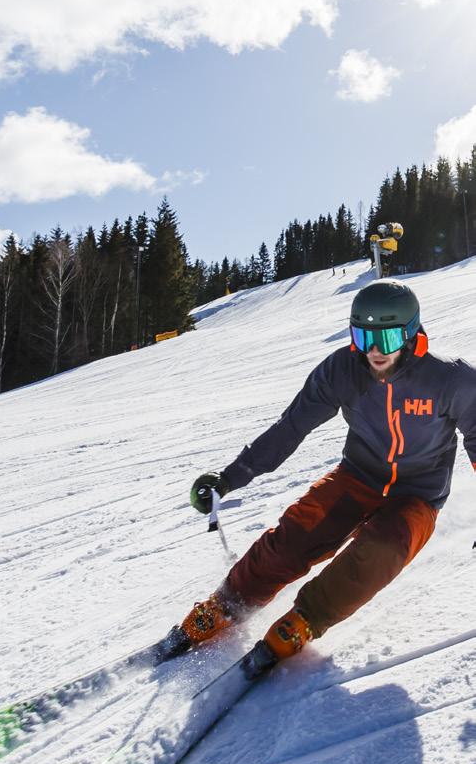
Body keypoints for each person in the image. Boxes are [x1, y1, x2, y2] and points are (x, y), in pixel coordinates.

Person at [172, 280, 476, 663]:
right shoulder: (341, 370)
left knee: (381, 549)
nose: (376, 352)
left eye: (388, 337)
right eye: (364, 338)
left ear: (412, 333)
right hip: (357, 476)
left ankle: (305, 619)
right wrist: (229, 478)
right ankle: (227, 604)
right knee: (295, 533)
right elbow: (291, 427)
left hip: (417, 496)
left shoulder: (451, 379)